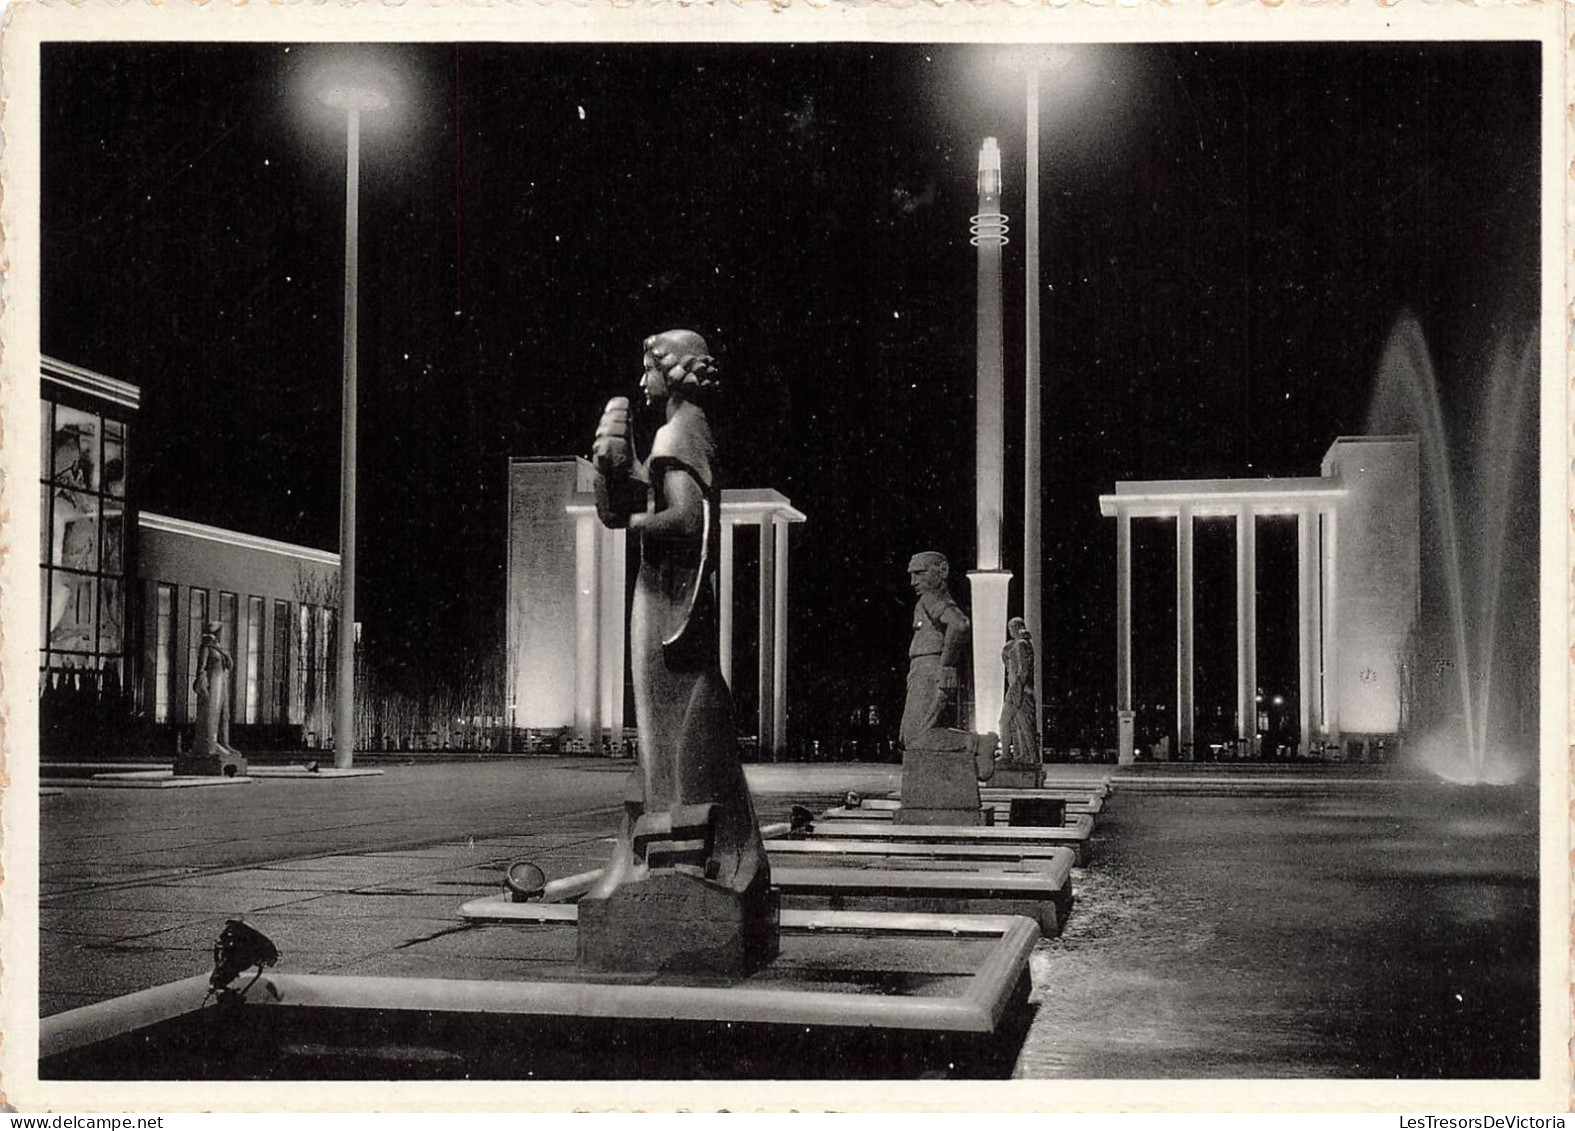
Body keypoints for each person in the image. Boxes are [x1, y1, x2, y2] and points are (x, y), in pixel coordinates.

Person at [583, 330, 775, 974]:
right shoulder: (683, 432)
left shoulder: (678, 433)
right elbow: (646, 503)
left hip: (665, 597)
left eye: (648, 370)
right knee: (663, 721)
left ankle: (676, 844)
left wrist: (635, 517)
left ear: (674, 373)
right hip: (667, 592)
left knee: (663, 720)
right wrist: (617, 473)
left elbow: (685, 520)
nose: (642, 382)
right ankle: (672, 835)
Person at [899, 552, 996, 770]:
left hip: (929, 669)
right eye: (912, 575)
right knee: (913, 735)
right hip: (927, 668)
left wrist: (945, 667)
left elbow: (960, 624)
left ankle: (978, 744)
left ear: (942, 570)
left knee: (915, 738)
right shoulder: (931, 598)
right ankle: (975, 749)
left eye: (920, 573)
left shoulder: (931, 597)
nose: (913, 581)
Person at [998, 616, 1042, 765]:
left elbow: (1023, 671)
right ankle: (1024, 756)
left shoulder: (1021, 645)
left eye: (1011, 628)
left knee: (1010, 723)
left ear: (1015, 628)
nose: (1009, 631)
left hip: (1019, 691)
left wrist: (1015, 690)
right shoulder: (1019, 645)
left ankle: (1010, 755)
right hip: (1020, 690)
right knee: (1020, 725)